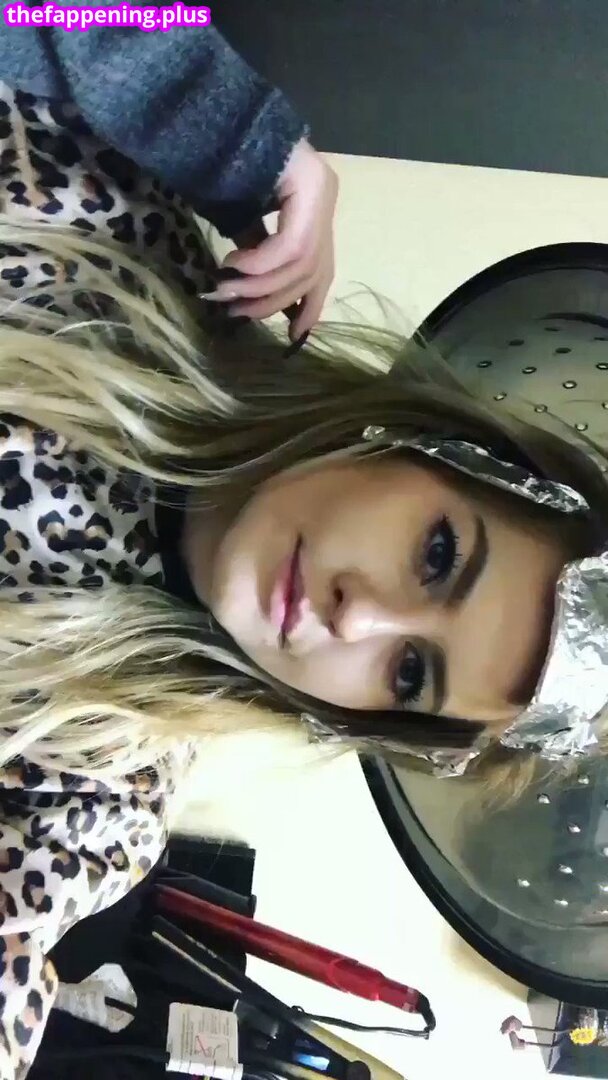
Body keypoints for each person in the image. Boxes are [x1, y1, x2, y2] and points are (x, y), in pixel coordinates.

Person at [0, 11, 606, 1078]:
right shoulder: (124, 235)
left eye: (409, 673)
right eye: (436, 556)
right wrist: (227, 128)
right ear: (423, 449)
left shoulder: (96, 790)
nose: (358, 616)